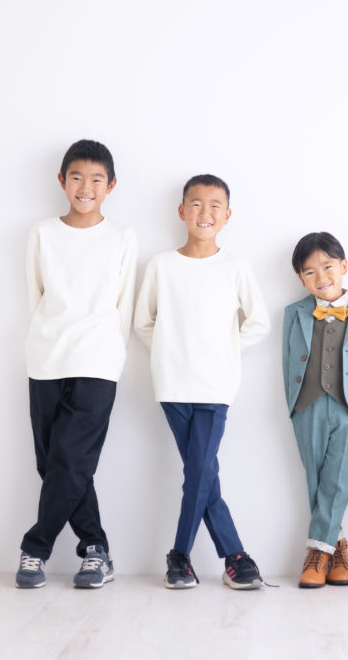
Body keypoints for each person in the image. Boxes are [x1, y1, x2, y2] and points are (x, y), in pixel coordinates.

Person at [134, 174, 271, 589]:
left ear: (227, 215)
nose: (205, 212)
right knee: (202, 471)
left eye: (215, 206)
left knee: (198, 470)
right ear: (182, 211)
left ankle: (181, 556)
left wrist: (226, 352)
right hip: (172, 385)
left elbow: (259, 322)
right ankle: (235, 558)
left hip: (216, 386)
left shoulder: (235, 267)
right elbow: (143, 322)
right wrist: (168, 352)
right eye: (196, 203)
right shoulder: (161, 265)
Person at [15, 139, 137, 589]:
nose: (86, 187)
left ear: (111, 186)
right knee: (55, 464)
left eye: (97, 179)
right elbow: (35, 296)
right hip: (46, 358)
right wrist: (44, 342)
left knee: (69, 459)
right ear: (62, 181)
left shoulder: (122, 237)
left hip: (98, 360)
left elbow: (124, 304)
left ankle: (36, 547)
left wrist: (112, 353)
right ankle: (96, 550)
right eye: (77, 177)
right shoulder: (41, 233)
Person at [281, 232, 348, 588]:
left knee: (338, 479)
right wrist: (294, 404)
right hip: (306, 403)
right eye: (310, 272)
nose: (321, 277)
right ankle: (338, 550)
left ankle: (317, 555)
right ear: (300, 278)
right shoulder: (293, 313)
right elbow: (287, 360)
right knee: (316, 478)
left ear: (344, 266)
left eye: (327, 266)